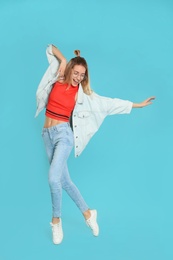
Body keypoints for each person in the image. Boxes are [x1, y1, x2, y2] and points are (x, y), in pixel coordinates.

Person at [35, 44, 155, 245]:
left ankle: (56, 221)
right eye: (76, 73)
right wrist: (64, 60)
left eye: (82, 75)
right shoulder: (58, 77)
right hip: (46, 134)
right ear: (70, 69)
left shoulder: (82, 95)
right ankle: (89, 214)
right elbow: (51, 48)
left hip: (64, 136)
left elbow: (109, 103)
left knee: (54, 180)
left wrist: (137, 105)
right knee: (64, 181)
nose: (79, 78)